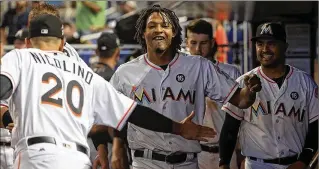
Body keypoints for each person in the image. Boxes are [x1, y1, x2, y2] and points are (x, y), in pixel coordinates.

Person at [0, 14, 217, 169]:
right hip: (76, 159)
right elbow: (135, 113)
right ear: (62, 44)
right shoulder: (83, 73)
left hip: (35, 155)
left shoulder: (21, 56)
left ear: (28, 42)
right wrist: (178, 127)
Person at [94, 5, 261, 169]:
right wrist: (109, 150)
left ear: (173, 32)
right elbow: (103, 115)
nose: (158, 30)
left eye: (165, 25)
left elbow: (241, 100)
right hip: (145, 162)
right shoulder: (125, 72)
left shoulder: (198, 66)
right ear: (143, 33)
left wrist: (250, 91)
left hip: (187, 162)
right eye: (152, 26)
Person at [219, 22, 318, 169]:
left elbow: (315, 127)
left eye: (271, 43)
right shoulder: (243, 82)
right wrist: (224, 164)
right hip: (257, 164)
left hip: (294, 164)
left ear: (285, 46)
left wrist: (303, 160)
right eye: (260, 43)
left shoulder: (305, 82)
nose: (265, 49)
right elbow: (229, 129)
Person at [185, 19, 242, 169]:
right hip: (193, 153)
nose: (198, 49)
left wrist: (240, 153)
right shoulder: (181, 75)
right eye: (193, 43)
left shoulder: (230, 72)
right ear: (186, 43)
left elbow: (239, 118)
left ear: (212, 43)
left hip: (225, 153)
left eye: (203, 43)